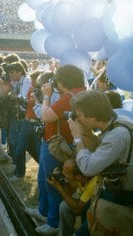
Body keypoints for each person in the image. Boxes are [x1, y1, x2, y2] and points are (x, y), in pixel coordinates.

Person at [26, 65, 86, 235]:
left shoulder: (69, 97)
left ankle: (53, 222)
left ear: (63, 81)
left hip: (56, 145)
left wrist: (46, 97)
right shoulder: (81, 92)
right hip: (58, 142)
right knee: (44, 179)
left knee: (53, 182)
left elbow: (45, 116)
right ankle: (43, 211)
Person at [68, 90, 133, 235]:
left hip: (119, 198)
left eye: (78, 116)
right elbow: (100, 151)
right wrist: (87, 134)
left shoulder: (117, 135)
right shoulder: (116, 121)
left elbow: (88, 167)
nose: (77, 120)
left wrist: (78, 139)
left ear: (91, 116)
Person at [48, 159, 97, 236]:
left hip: (93, 210)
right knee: (64, 206)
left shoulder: (93, 184)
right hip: (83, 204)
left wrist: (59, 187)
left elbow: (77, 208)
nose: (63, 173)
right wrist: (64, 181)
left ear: (78, 177)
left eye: (66, 173)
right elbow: (70, 196)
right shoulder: (80, 177)